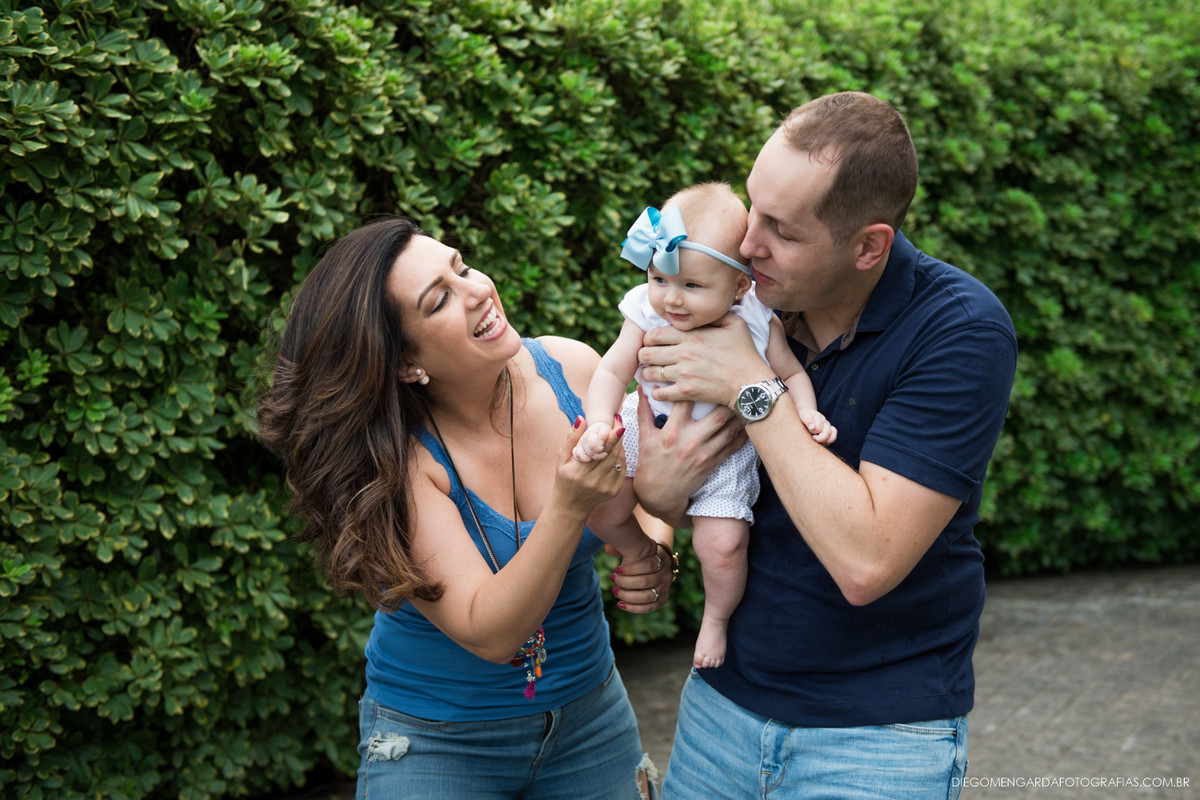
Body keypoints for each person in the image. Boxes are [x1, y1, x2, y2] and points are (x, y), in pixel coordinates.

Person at [632, 92, 1019, 798]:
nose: (746, 244)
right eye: (753, 207)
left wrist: (753, 389)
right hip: (720, 706)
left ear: (869, 246)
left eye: (781, 230)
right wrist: (658, 507)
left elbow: (866, 560)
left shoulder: (959, 330)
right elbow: (693, 482)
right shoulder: (741, 303)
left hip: (877, 737)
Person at [254, 216, 677, 799]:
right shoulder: (396, 463)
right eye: (439, 300)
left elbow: (650, 472)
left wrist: (654, 549)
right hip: (438, 741)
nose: (478, 290)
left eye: (463, 267)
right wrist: (568, 504)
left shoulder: (573, 370)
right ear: (405, 362)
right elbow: (490, 633)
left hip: (591, 719)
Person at [572, 183, 836, 670]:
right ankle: (639, 551)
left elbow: (793, 374)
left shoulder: (757, 319)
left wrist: (806, 412)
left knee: (724, 545)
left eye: (692, 286)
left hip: (727, 448)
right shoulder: (644, 309)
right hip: (643, 424)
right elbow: (611, 370)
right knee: (601, 507)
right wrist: (599, 423)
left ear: (739, 286)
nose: (671, 298)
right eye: (659, 278)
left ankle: (715, 619)